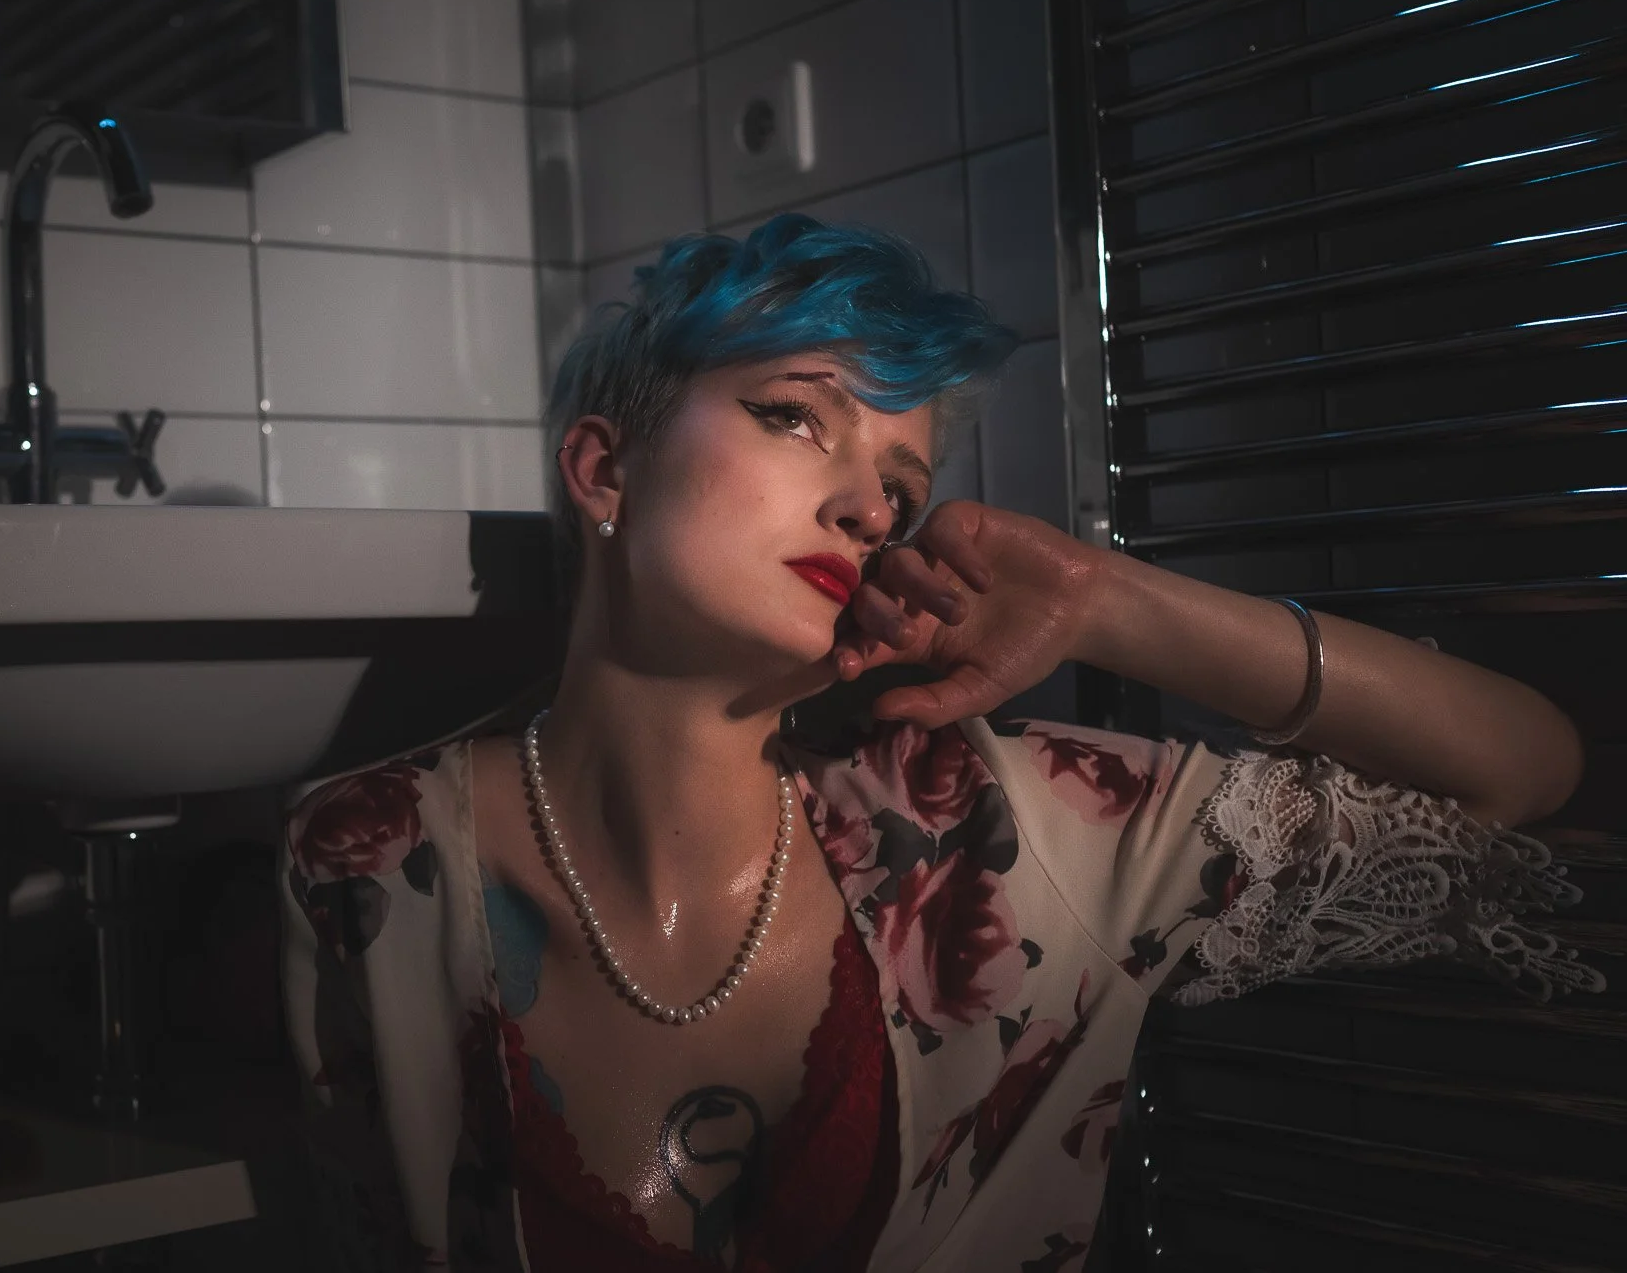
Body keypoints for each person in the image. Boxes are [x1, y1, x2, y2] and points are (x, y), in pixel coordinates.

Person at [275, 215, 1605, 1272]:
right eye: (796, 415)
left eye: (901, 488)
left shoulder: (1016, 831)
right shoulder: (364, 860)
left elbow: (1527, 767)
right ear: (604, 468)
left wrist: (1107, 601)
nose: (868, 505)